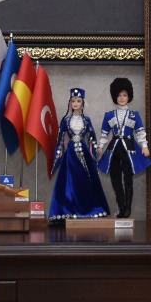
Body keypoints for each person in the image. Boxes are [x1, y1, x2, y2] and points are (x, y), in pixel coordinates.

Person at [48, 88, 111, 221]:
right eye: (73, 101)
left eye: (78, 101)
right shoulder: (65, 120)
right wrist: (58, 155)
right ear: (70, 103)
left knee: (85, 180)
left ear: (82, 103)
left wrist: (94, 151)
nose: (75, 103)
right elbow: (60, 140)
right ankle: (69, 209)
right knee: (70, 181)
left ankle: (87, 208)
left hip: (84, 153)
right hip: (70, 153)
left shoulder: (87, 120)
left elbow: (92, 136)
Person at [97, 77, 150, 219]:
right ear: (115, 97)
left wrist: (144, 146)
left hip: (129, 149)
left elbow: (140, 132)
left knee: (128, 179)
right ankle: (120, 205)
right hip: (114, 148)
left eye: (124, 95)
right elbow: (104, 133)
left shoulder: (134, 115)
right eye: (119, 95)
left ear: (129, 97)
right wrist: (100, 146)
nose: (122, 98)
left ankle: (128, 208)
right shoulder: (109, 115)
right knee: (115, 178)